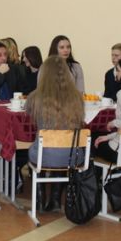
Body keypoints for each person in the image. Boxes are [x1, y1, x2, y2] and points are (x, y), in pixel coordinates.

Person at [26, 56, 85, 211]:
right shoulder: (77, 98)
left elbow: (29, 115)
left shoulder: (34, 97)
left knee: (35, 150)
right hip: (73, 156)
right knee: (61, 151)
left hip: (44, 154)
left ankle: (39, 200)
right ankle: (56, 199)